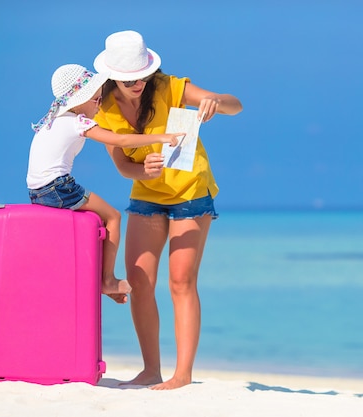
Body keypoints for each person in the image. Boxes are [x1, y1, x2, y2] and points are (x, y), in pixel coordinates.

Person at [92, 30, 243, 389]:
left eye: (142, 74)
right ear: (114, 75)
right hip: (146, 195)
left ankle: (183, 375)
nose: (138, 82)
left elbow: (236, 105)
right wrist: (141, 170)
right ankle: (150, 370)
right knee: (140, 283)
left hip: (191, 193)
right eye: (129, 77)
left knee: (181, 281)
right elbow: (122, 165)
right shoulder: (103, 106)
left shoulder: (168, 87)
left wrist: (214, 102)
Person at [26, 64, 183, 304]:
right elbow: (119, 139)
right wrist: (162, 137)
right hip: (58, 187)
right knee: (112, 217)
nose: (99, 105)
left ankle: (96, 278)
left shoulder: (51, 120)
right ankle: (107, 279)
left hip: (37, 192)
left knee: (92, 219)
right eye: (96, 100)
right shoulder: (76, 122)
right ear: (79, 100)